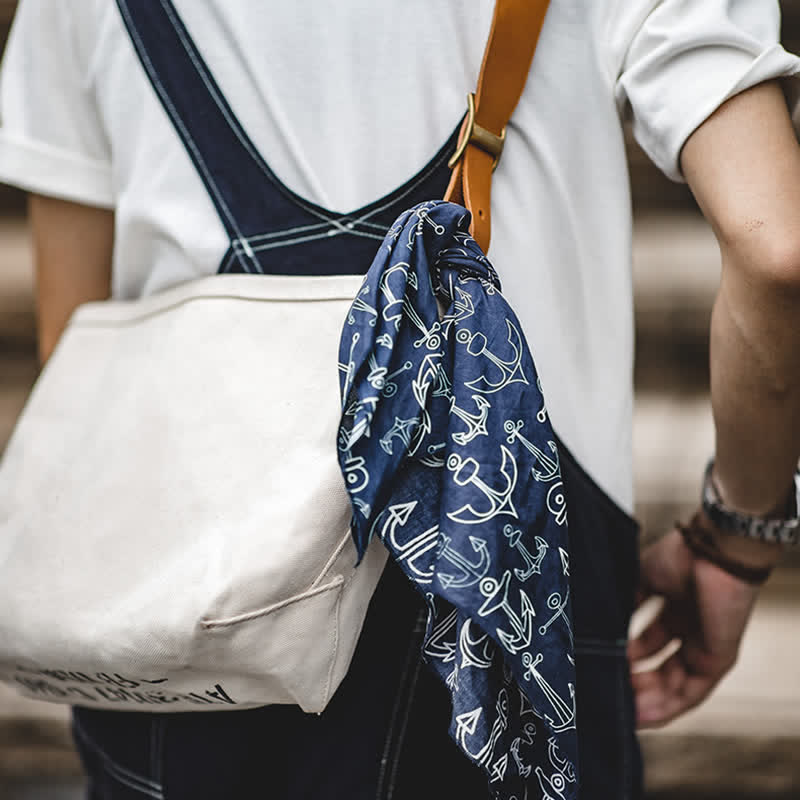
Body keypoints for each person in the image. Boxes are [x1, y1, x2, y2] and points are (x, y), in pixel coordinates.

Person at [0, 0, 798, 797]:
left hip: (175, 596)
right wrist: (738, 535)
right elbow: (776, 250)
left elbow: (76, 345)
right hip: (496, 572)